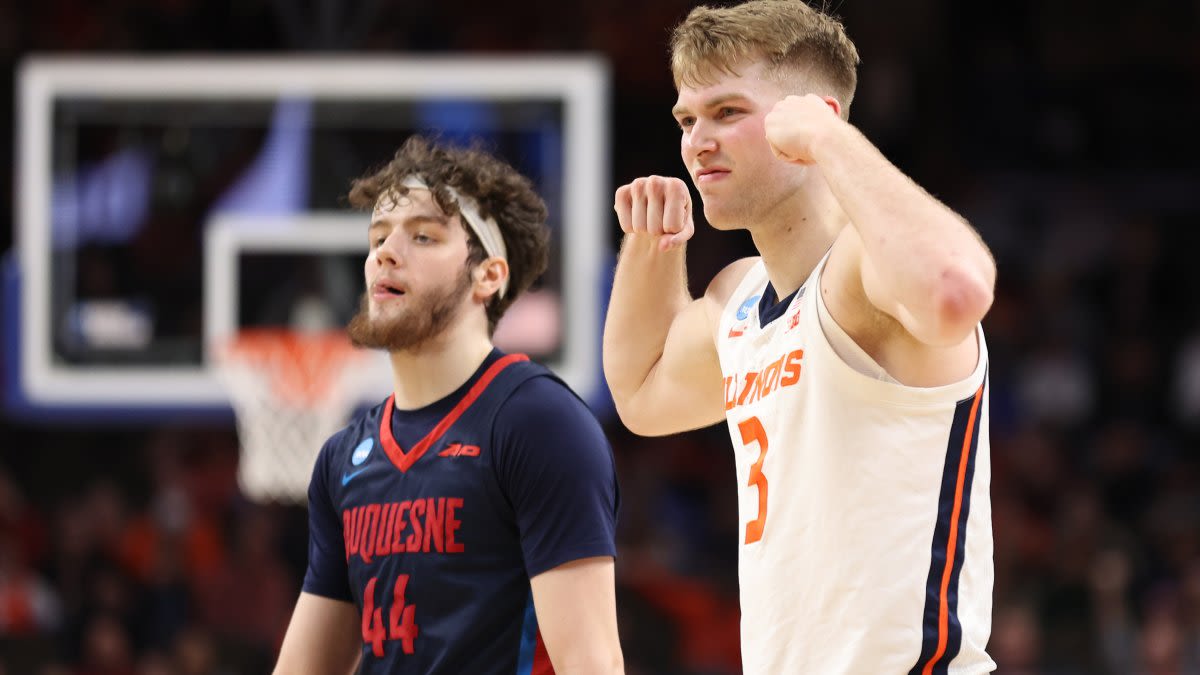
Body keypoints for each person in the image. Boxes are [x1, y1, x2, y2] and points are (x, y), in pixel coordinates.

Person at [603, 1, 997, 673]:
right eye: (686, 119)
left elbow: (956, 287)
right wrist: (651, 248)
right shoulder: (740, 295)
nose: (698, 140)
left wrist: (830, 142)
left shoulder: (860, 271)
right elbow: (641, 393)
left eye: (728, 112)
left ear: (817, 117)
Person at [274, 136, 623, 675]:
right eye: (378, 238)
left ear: (489, 275)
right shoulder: (343, 459)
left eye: (423, 236)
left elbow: (592, 663)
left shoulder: (537, 424)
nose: (385, 253)